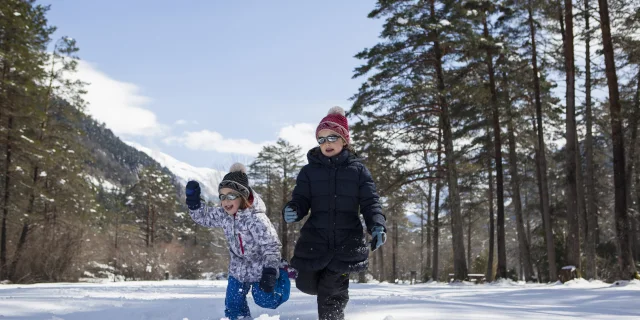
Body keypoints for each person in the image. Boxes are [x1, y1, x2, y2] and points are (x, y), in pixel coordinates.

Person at [282, 106, 387, 320]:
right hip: (316, 239)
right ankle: (338, 292)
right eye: (321, 139)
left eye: (332, 137)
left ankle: (335, 307)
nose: (326, 143)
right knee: (307, 284)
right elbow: (301, 199)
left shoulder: (358, 171)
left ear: (344, 140)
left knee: (330, 292)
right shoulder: (308, 171)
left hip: (346, 241)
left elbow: (370, 202)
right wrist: (293, 209)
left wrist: (377, 225)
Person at [186, 163, 290, 320]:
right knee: (233, 306)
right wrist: (194, 203)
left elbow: (271, 245)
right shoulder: (224, 214)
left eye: (231, 196)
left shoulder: (256, 218)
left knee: (265, 299)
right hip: (238, 270)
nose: (225, 201)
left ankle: (282, 278)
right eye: (222, 196)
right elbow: (205, 217)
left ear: (242, 196)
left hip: (261, 269)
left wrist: (270, 271)